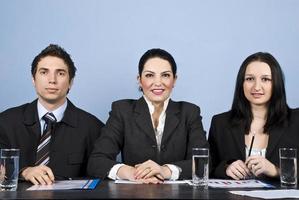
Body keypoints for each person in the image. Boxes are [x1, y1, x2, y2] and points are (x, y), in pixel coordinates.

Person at [87, 48, 208, 183]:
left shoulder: (190, 112)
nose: (158, 82)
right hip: (134, 193)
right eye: (150, 75)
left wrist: (165, 171)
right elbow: (96, 161)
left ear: (174, 80)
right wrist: (132, 173)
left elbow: (203, 162)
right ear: (139, 79)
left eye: (165, 75)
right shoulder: (122, 110)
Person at [0, 44, 104, 185]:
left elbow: (102, 175)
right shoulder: (6, 122)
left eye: (60, 73)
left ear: (71, 82)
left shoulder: (93, 128)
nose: (52, 80)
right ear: (33, 79)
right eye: (44, 72)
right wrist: (23, 172)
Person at [208, 52, 299, 180]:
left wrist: (276, 170)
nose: (256, 87)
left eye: (265, 79)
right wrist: (226, 168)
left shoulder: (296, 121)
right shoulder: (220, 123)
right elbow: (208, 168)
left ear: (276, 84)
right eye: (250, 79)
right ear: (241, 83)